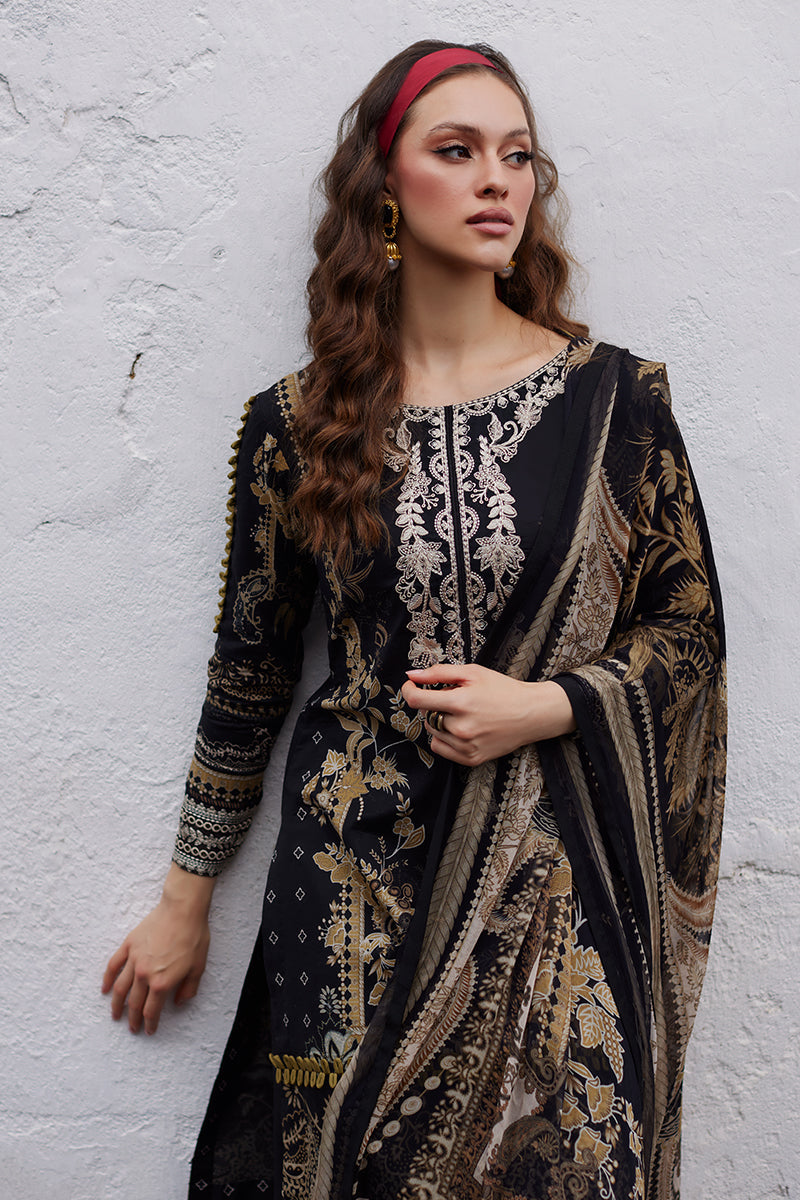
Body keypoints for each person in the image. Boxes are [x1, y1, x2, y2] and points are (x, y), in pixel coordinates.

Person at [102, 40, 726, 1200]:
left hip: (553, 901)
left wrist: (548, 704)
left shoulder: (615, 402)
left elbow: (686, 635)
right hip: (348, 892)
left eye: (516, 155)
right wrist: (185, 901)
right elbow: (250, 672)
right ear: (384, 187)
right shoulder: (297, 424)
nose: (496, 179)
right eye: (456, 150)